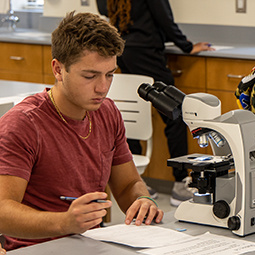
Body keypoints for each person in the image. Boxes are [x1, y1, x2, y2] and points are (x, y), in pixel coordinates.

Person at [0, 11, 163, 251]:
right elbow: (3, 210)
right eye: (90, 76)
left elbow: (128, 184)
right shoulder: (24, 124)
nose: (103, 87)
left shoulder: (107, 113)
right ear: (58, 69)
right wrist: (65, 222)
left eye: (110, 75)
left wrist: (142, 200)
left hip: (90, 244)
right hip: (34, 248)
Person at [96, 0, 215, 206]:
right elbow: (165, 20)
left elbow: (103, 9)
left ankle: (135, 179)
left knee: (132, 112)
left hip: (122, 51)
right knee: (176, 114)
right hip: (146, 51)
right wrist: (186, 46)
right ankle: (180, 183)